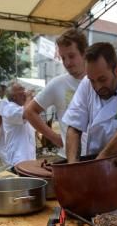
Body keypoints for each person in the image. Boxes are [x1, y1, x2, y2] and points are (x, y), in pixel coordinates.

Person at [63, 42, 117, 217]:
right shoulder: (87, 85)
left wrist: (98, 165)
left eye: (102, 80)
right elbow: (74, 127)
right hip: (94, 180)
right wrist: (72, 168)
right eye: (92, 80)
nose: (96, 87)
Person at [25, 29, 87, 157]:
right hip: (68, 158)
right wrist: (55, 138)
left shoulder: (98, 81)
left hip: (99, 159)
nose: (67, 63)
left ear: (84, 53)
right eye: (63, 58)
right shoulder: (58, 84)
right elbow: (30, 112)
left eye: (71, 56)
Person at [0, 80, 36, 166]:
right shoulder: (9, 108)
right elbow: (26, 113)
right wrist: (28, 98)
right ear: (13, 96)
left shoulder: (23, 107)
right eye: (21, 89)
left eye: (24, 89)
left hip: (29, 159)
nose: (24, 92)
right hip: (18, 161)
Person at [0, 83, 8, 164]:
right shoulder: (10, 101)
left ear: (4, 91)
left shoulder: (3, 102)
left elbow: (0, 116)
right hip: (9, 126)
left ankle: (7, 164)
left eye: (0, 91)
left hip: (3, 126)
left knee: (1, 147)